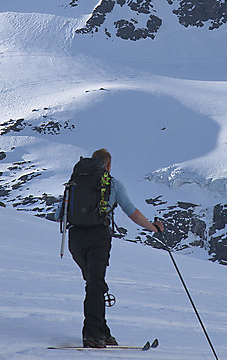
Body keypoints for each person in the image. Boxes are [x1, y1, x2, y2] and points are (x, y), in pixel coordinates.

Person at [67, 148, 164, 348]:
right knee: (95, 285)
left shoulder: (75, 183)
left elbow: (61, 213)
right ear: (108, 165)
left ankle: (103, 330)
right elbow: (132, 212)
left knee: (94, 284)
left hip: (75, 239)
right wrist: (153, 227)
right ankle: (92, 334)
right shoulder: (113, 185)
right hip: (98, 238)